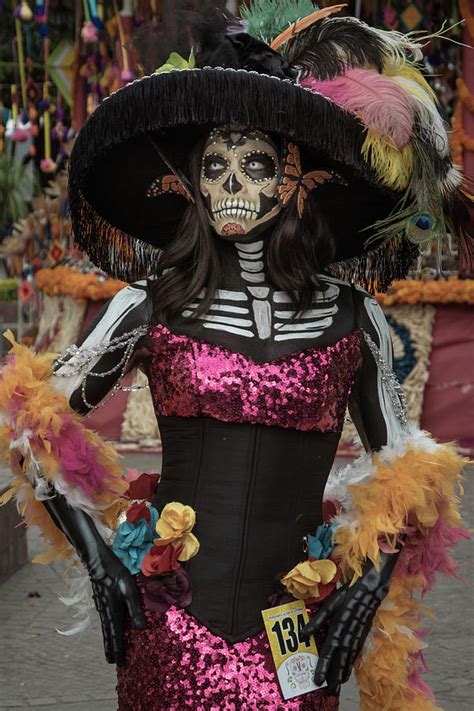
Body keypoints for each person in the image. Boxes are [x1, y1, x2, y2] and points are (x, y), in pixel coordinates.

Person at [1, 3, 471, 709]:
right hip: (170, 632)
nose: (231, 184)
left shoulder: (353, 316)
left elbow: (402, 471)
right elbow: (29, 424)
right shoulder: (149, 304)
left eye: (254, 164)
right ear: (187, 183)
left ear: (299, 182)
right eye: (213, 165)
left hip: (301, 637)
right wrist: (101, 562)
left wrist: (368, 585)